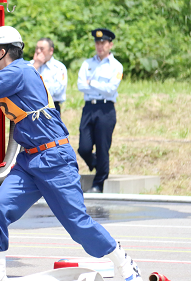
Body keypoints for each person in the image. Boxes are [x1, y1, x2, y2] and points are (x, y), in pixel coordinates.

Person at [0, 26, 142, 281]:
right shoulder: (10, 78)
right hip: (29, 161)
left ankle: (121, 260)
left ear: (2, 52)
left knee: (77, 225)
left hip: (54, 159)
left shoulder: (17, 72)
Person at [77, 28, 123, 193]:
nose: (100, 46)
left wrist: (92, 83)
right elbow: (80, 85)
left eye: (103, 43)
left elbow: (111, 89)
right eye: (97, 43)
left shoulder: (116, 66)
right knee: (84, 146)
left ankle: (99, 183)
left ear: (110, 44)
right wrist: (94, 85)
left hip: (106, 108)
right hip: (89, 107)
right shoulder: (87, 64)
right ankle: (97, 164)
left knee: (103, 146)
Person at [31, 38, 67, 115]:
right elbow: (24, 84)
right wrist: (36, 65)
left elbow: (58, 90)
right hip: (32, 108)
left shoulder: (59, 67)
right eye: (37, 48)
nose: (38, 51)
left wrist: (35, 89)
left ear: (51, 51)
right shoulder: (30, 65)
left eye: (42, 49)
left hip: (51, 107)